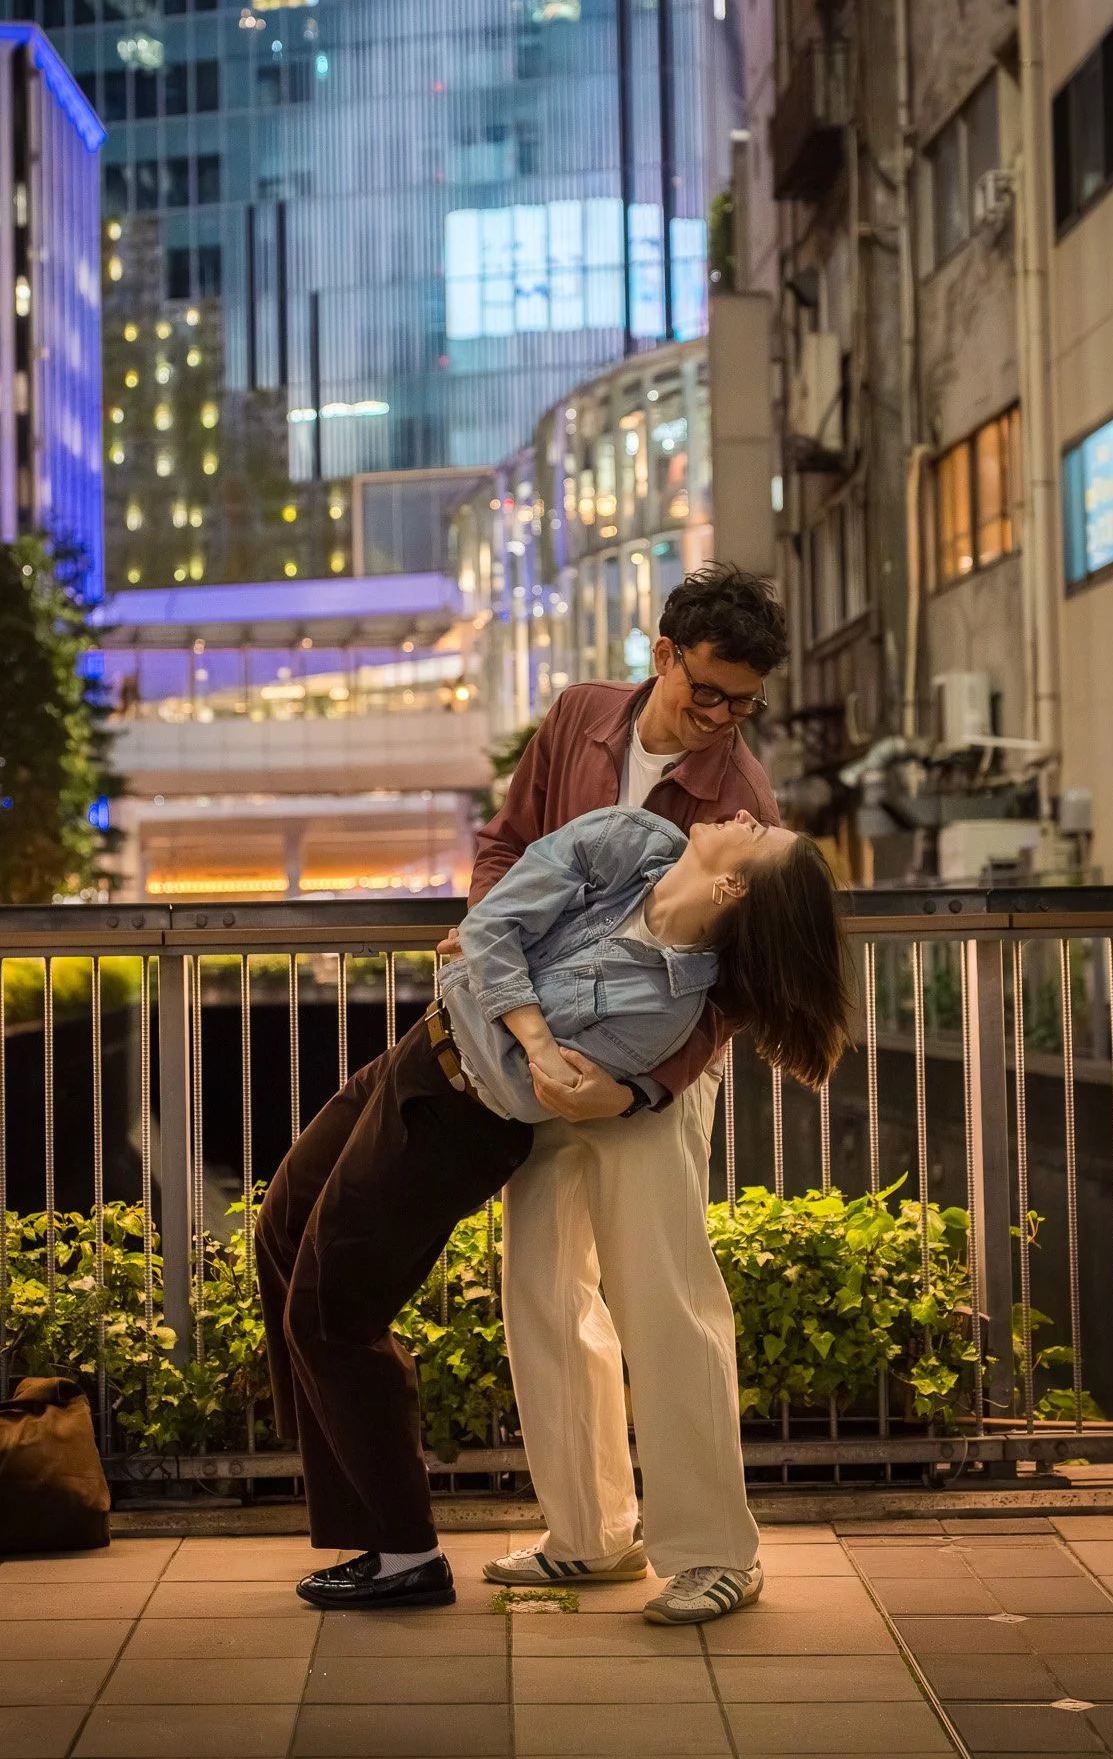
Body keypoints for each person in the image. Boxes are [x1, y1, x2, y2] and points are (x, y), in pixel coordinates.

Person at [256, 801, 852, 1614]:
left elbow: (510, 1059)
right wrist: (532, 1026)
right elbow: (488, 926)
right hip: (413, 1057)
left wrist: (502, 993)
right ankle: (343, 1449)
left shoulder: (664, 1006)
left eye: (756, 835)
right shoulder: (630, 838)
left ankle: (402, 1551)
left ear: (733, 889)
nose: (746, 810)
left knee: (335, 1309)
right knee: (282, 1232)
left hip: (458, 1117)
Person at [467, 562, 797, 1623]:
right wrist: (489, 940)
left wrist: (647, 1087)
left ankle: (715, 1552)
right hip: (543, 1055)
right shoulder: (577, 718)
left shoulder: (742, 797)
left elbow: (741, 989)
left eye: (744, 703)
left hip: (655, 1074)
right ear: (663, 653)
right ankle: (589, 1535)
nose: (722, 720)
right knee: (543, 1289)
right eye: (708, 691)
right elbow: (505, 845)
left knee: (668, 1301)